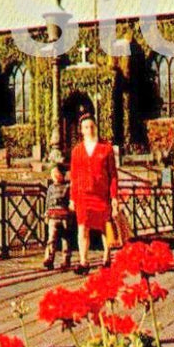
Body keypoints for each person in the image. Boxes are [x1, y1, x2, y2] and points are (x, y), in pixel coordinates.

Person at [69, 112, 118, 270]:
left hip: (101, 194)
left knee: (104, 226)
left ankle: (107, 255)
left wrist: (114, 196)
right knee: (83, 227)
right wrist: (72, 198)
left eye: (91, 126)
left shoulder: (106, 148)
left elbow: (113, 175)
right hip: (83, 195)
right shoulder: (77, 151)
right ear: (81, 130)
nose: (89, 129)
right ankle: (84, 261)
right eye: (86, 127)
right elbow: (74, 176)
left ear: (96, 128)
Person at [42, 161, 73, 269]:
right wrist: (45, 214)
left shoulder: (68, 187)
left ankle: (66, 259)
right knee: (51, 238)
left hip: (65, 216)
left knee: (66, 239)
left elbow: (71, 201)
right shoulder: (50, 188)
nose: (54, 175)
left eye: (57, 173)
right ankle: (49, 258)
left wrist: (71, 212)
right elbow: (47, 202)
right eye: (52, 173)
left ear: (62, 174)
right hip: (52, 216)